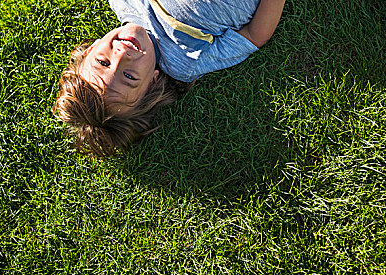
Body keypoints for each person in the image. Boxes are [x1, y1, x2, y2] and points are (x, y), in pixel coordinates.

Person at [55, 0, 286, 157]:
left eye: (102, 63)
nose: (121, 56)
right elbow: (254, 36)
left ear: (90, 50)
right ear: (153, 82)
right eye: (129, 76)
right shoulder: (185, 61)